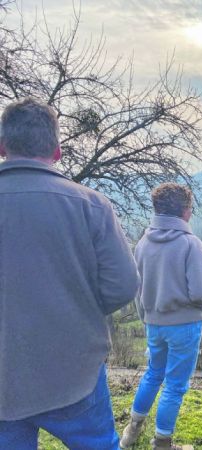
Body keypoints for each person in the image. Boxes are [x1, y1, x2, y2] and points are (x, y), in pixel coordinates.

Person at [0, 97, 139, 449]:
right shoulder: (91, 205)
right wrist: (77, 306)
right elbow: (123, 285)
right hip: (75, 370)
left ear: (2, 146)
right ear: (57, 151)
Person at [120, 183, 202, 450]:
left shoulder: (142, 243)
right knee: (175, 385)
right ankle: (162, 443)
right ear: (186, 212)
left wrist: (146, 317)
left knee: (153, 374)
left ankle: (132, 430)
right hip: (184, 325)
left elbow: (137, 290)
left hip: (153, 323)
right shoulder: (190, 244)